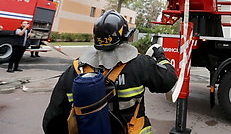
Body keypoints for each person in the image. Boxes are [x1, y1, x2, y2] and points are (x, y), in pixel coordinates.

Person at [42, 10, 177, 134]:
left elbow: (52, 119)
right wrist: (160, 57)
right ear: (125, 36)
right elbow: (168, 81)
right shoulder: (140, 63)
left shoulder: (76, 69)